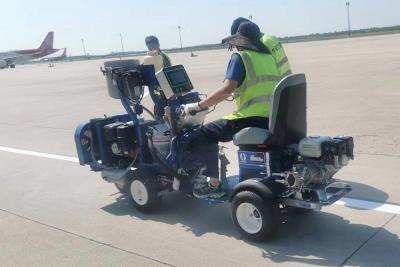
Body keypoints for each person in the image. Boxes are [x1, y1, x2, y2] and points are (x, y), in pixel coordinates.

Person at [184, 21, 283, 198]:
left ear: (240, 40)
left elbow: (227, 89)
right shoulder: (269, 58)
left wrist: (198, 107)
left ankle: (213, 185)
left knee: (205, 133)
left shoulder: (241, 57)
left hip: (249, 116)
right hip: (270, 116)